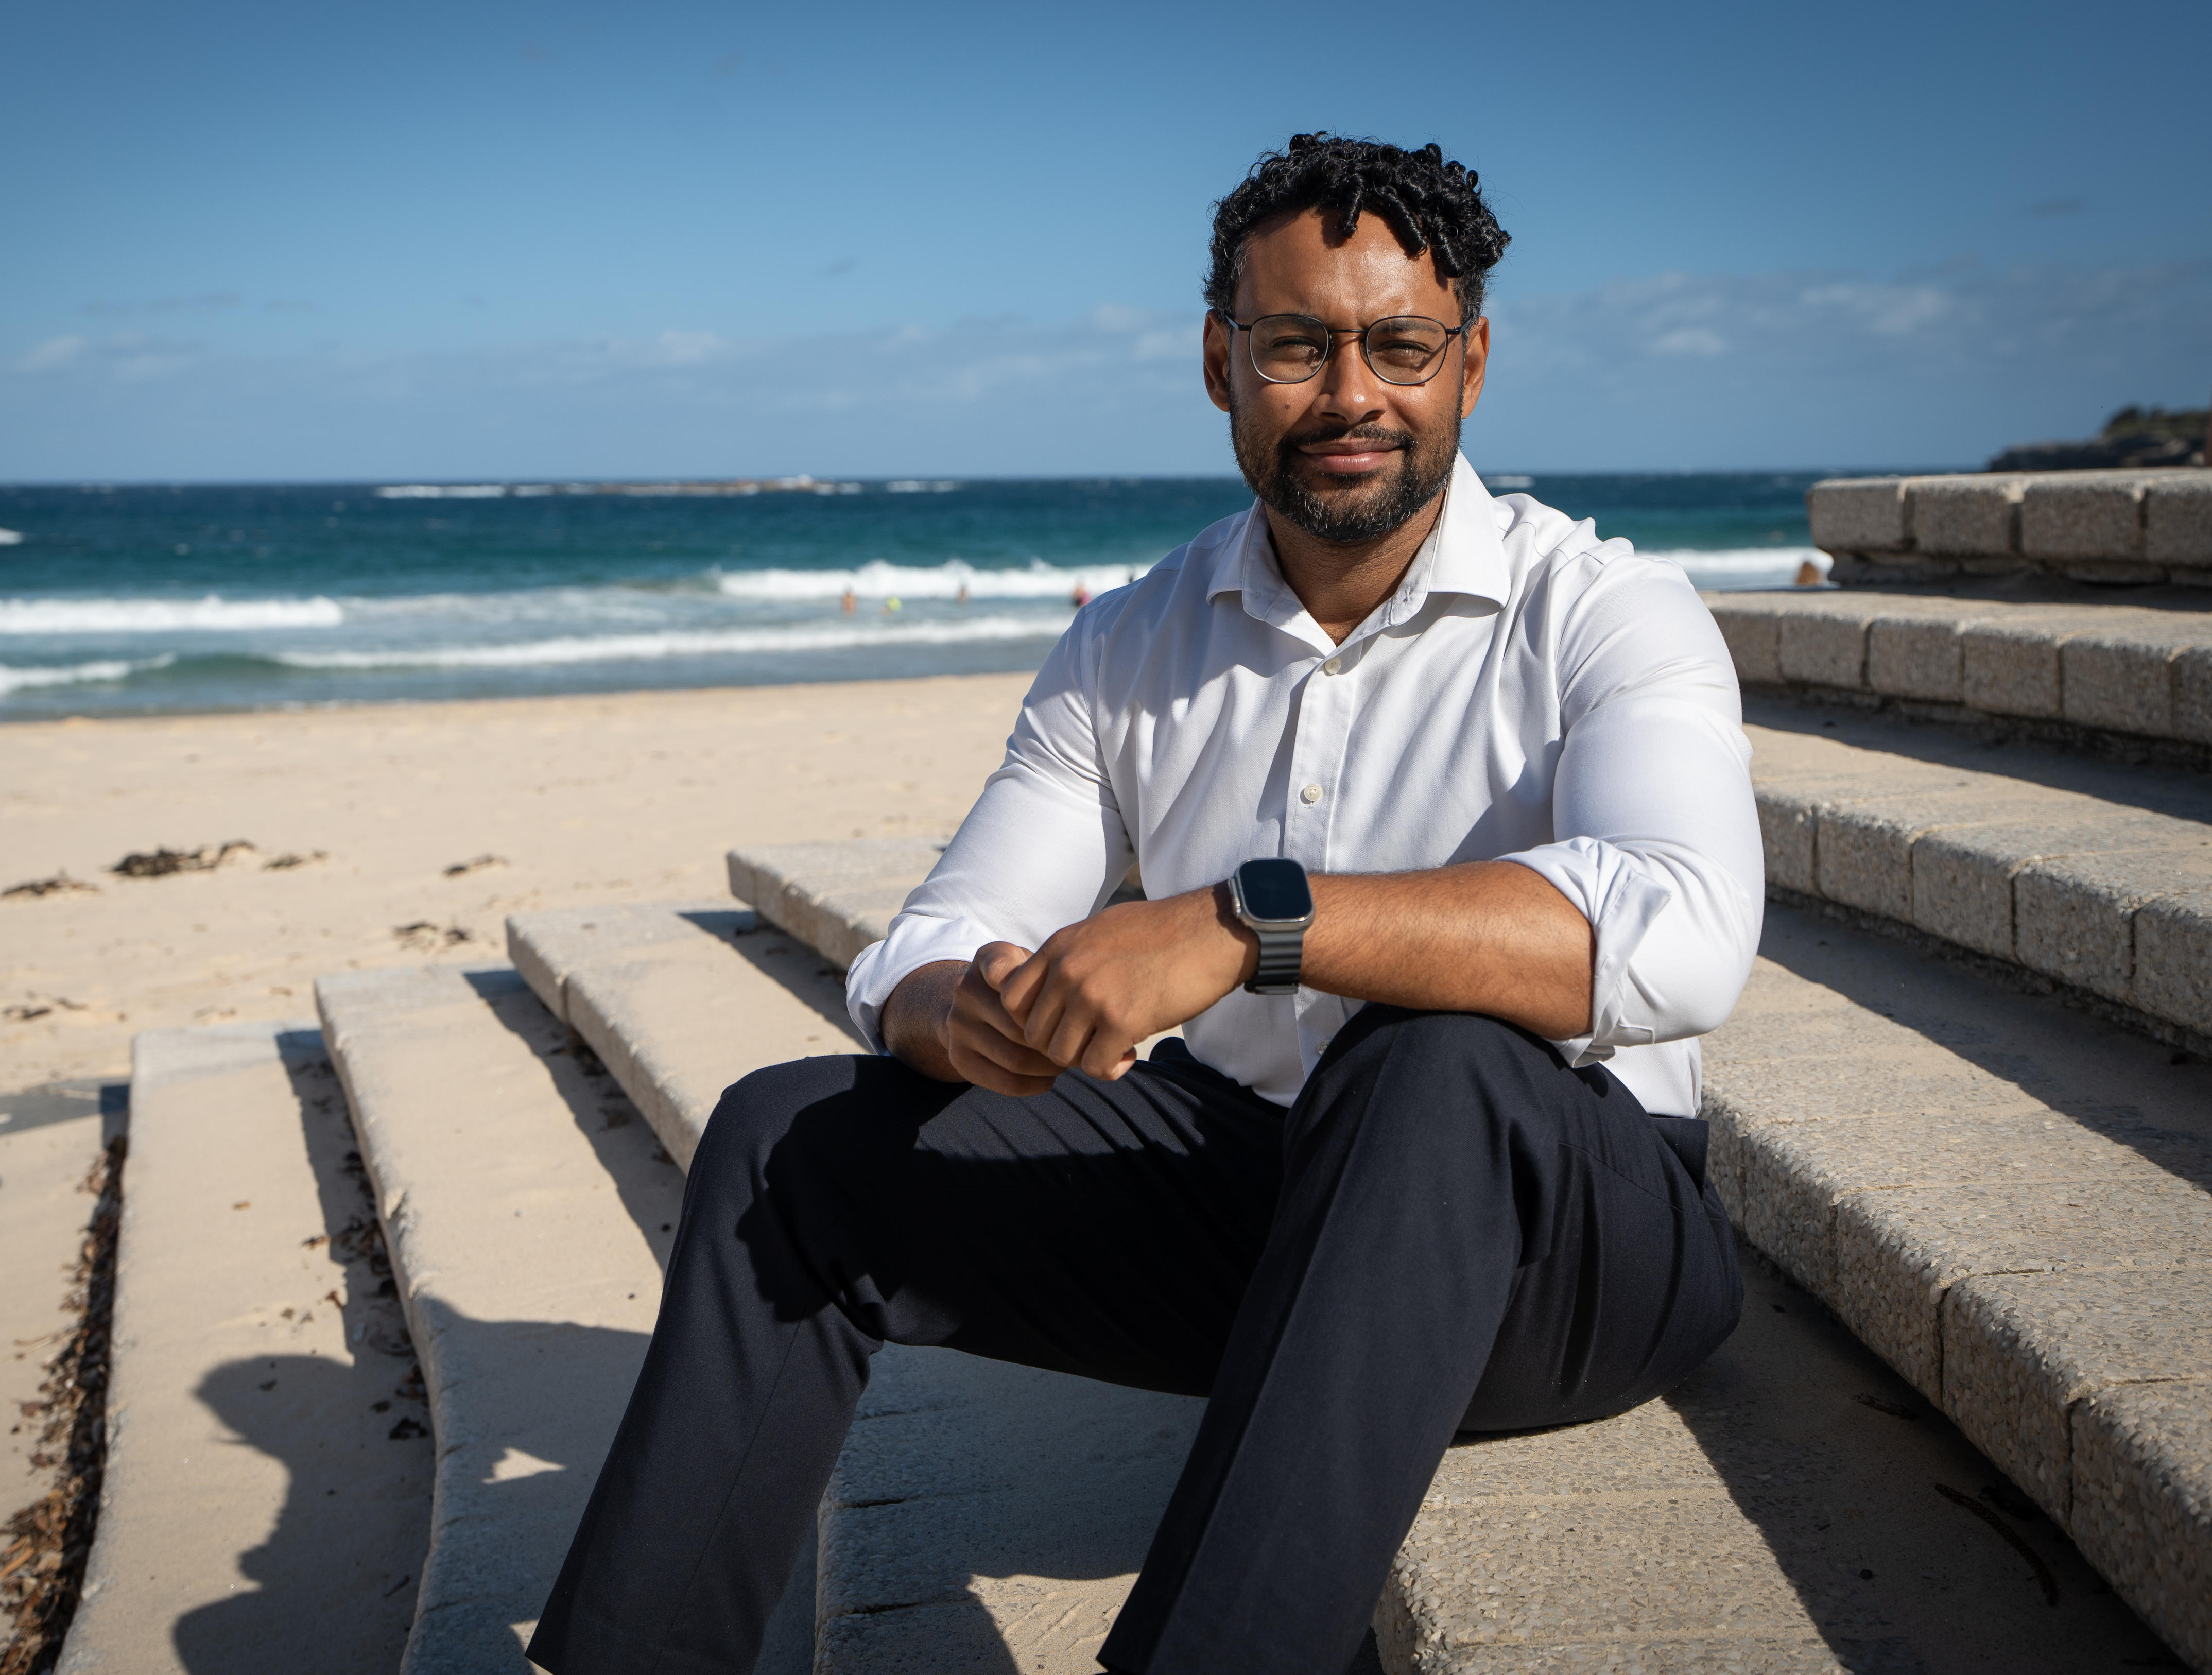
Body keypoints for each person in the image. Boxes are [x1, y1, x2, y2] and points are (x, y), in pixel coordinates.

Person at [528, 134, 1759, 1675]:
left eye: (1401, 346)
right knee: (790, 1141)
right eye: (1298, 344)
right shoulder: (1128, 642)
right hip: (1250, 1192)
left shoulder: (1610, 613)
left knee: (1428, 1060)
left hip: (1570, 1234)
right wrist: (963, 1013)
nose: (1352, 394)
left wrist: (1254, 922)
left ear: (1475, 363)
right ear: (1218, 361)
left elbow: (1684, 930)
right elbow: (928, 940)